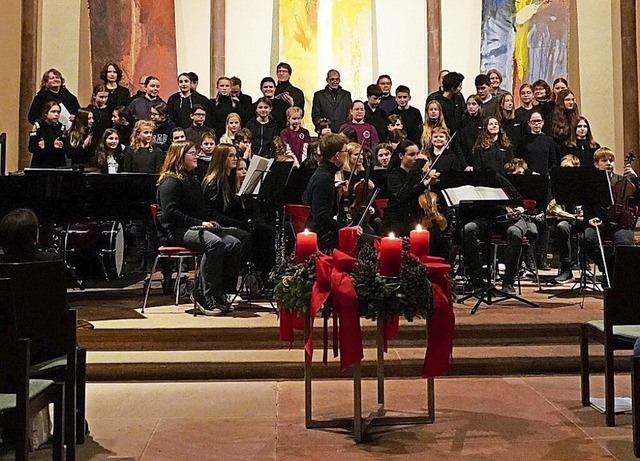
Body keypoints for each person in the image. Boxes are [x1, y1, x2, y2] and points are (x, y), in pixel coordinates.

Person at [156, 141, 242, 314]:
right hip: (175, 231)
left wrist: (210, 222)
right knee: (214, 243)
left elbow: (201, 209)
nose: (197, 156)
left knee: (233, 243)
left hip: (192, 228)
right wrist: (200, 224)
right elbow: (170, 214)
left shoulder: (192, 180)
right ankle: (204, 294)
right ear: (180, 157)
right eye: (192, 153)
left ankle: (221, 292)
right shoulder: (170, 182)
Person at [203, 144, 275, 279]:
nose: (235, 159)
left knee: (265, 230)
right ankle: (234, 278)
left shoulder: (230, 180)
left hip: (232, 222)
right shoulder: (213, 182)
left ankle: (262, 275)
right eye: (231, 156)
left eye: (235, 155)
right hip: (218, 225)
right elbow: (213, 213)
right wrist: (240, 223)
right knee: (246, 236)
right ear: (221, 159)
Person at [302, 133, 373, 250]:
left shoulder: (324, 174)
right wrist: (345, 229)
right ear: (337, 155)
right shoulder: (323, 178)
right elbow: (321, 215)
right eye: (345, 151)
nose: (346, 155)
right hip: (324, 237)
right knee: (374, 244)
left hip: (327, 232)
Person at [582, 147, 639, 287]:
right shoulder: (591, 183)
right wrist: (589, 219)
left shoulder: (623, 181)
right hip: (600, 223)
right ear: (596, 164)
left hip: (620, 223)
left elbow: (638, 200)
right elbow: (586, 205)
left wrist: (635, 179)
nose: (609, 163)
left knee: (624, 242)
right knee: (587, 238)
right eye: (604, 160)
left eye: (611, 160)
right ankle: (608, 269)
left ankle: (614, 275)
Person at [381, 139, 439, 237]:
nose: (416, 158)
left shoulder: (418, 175)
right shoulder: (394, 175)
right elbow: (403, 196)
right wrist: (423, 183)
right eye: (411, 155)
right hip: (397, 221)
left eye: (417, 154)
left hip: (414, 219)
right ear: (401, 156)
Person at [545, 154, 583, 284]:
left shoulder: (585, 181)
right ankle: (566, 269)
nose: (564, 171)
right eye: (562, 168)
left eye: (567, 167)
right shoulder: (557, 182)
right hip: (567, 219)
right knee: (562, 226)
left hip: (585, 219)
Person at [28, 101, 67, 168]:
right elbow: (31, 148)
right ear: (46, 113)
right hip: (41, 163)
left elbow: (66, 148)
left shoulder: (61, 127)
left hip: (57, 163)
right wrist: (39, 146)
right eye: (53, 111)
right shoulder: (38, 126)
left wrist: (61, 146)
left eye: (58, 112)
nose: (56, 114)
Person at [518, 110, 558, 176]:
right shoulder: (523, 141)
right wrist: (530, 172)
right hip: (529, 176)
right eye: (533, 121)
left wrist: (548, 173)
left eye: (539, 121)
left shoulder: (549, 140)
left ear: (543, 122)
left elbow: (553, 161)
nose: (536, 124)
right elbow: (520, 161)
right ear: (529, 123)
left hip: (546, 176)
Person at [459, 94, 484, 166]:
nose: (471, 106)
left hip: (481, 162)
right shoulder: (462, 123)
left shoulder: (484, 122)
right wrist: (464, 165)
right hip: (466, 161)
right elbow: (458, 144)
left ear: (479, 106)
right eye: (469, 104)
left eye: (474, 104)